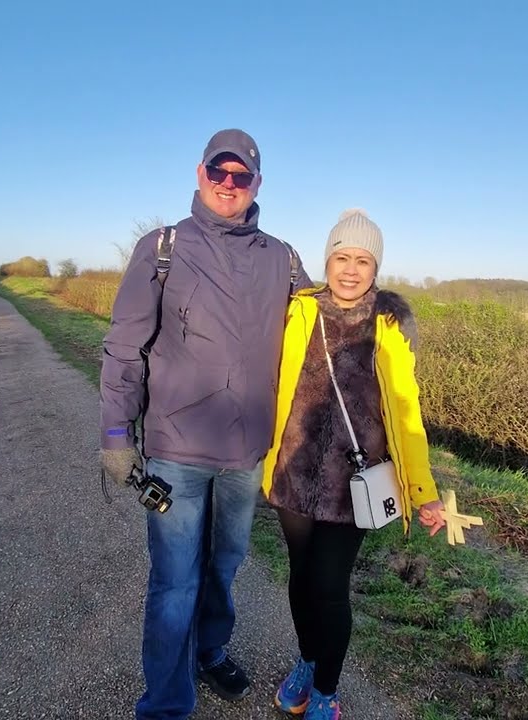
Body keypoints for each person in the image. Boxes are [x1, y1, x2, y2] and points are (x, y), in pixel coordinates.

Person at [99, 128, 313, 720]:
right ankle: (166, 704)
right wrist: (116, 435)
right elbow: (125, 346)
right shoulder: (162, 248)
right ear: (200, 174)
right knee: (175, 582)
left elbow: (319, 334)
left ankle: (209, 650)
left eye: (240, 175)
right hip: (176, 453)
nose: (228, 183)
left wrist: (386, 319)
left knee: (224, 566)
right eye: (219, 171)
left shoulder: (283, 259)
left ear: (257, 184)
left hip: (246, 456)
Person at [262, 209, 446, 720]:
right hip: (294, 469)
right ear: (327, 261)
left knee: (329, 584)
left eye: (362, 260)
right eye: (341, 257)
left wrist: (423, 490)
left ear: (375, 267)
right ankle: (306, 660)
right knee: (301, 577)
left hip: (354, 482)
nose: (350, 269)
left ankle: (326, 689)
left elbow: (406, 410)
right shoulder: (297, 311)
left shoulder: (389, 324)